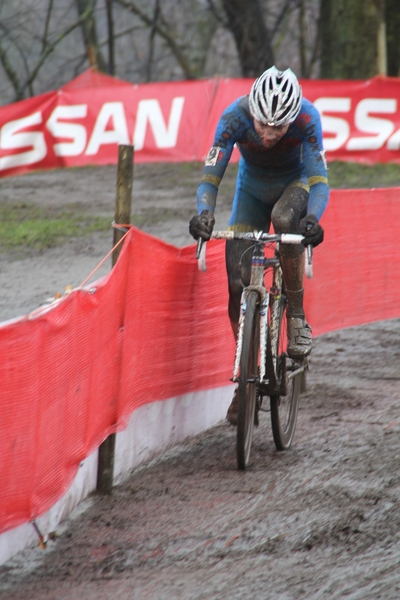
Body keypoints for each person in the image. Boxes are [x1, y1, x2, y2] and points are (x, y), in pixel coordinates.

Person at [189, 65, 329, 425]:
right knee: (237, 284)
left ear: (292, 118)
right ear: (253, 111)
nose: (268, 134)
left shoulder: (308, 120)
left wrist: (312, 219)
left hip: (293, 185)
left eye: (278, 127)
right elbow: (210, 178)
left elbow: (318, 180)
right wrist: (204, 214)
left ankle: (296, 316)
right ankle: (246, 381)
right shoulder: (235, 116)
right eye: (263, 124)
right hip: (249, 190)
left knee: (286, 221)